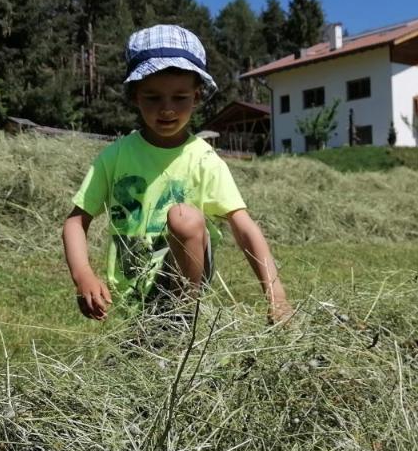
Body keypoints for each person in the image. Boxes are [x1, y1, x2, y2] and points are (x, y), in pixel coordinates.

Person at [62, 24, 292, 325]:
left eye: (180, 97)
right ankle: (154, 329)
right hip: (132, 294)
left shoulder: (204, 160)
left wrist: (277, 296)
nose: (167, 109)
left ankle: (182, 316)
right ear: (135, 96)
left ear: (197, 97)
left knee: (184, 217)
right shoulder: (115, 156)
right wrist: (83, 276)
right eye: (153, 98)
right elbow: (76, 222)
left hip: (184, 282)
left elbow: (243, 227)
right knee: (138, 358)